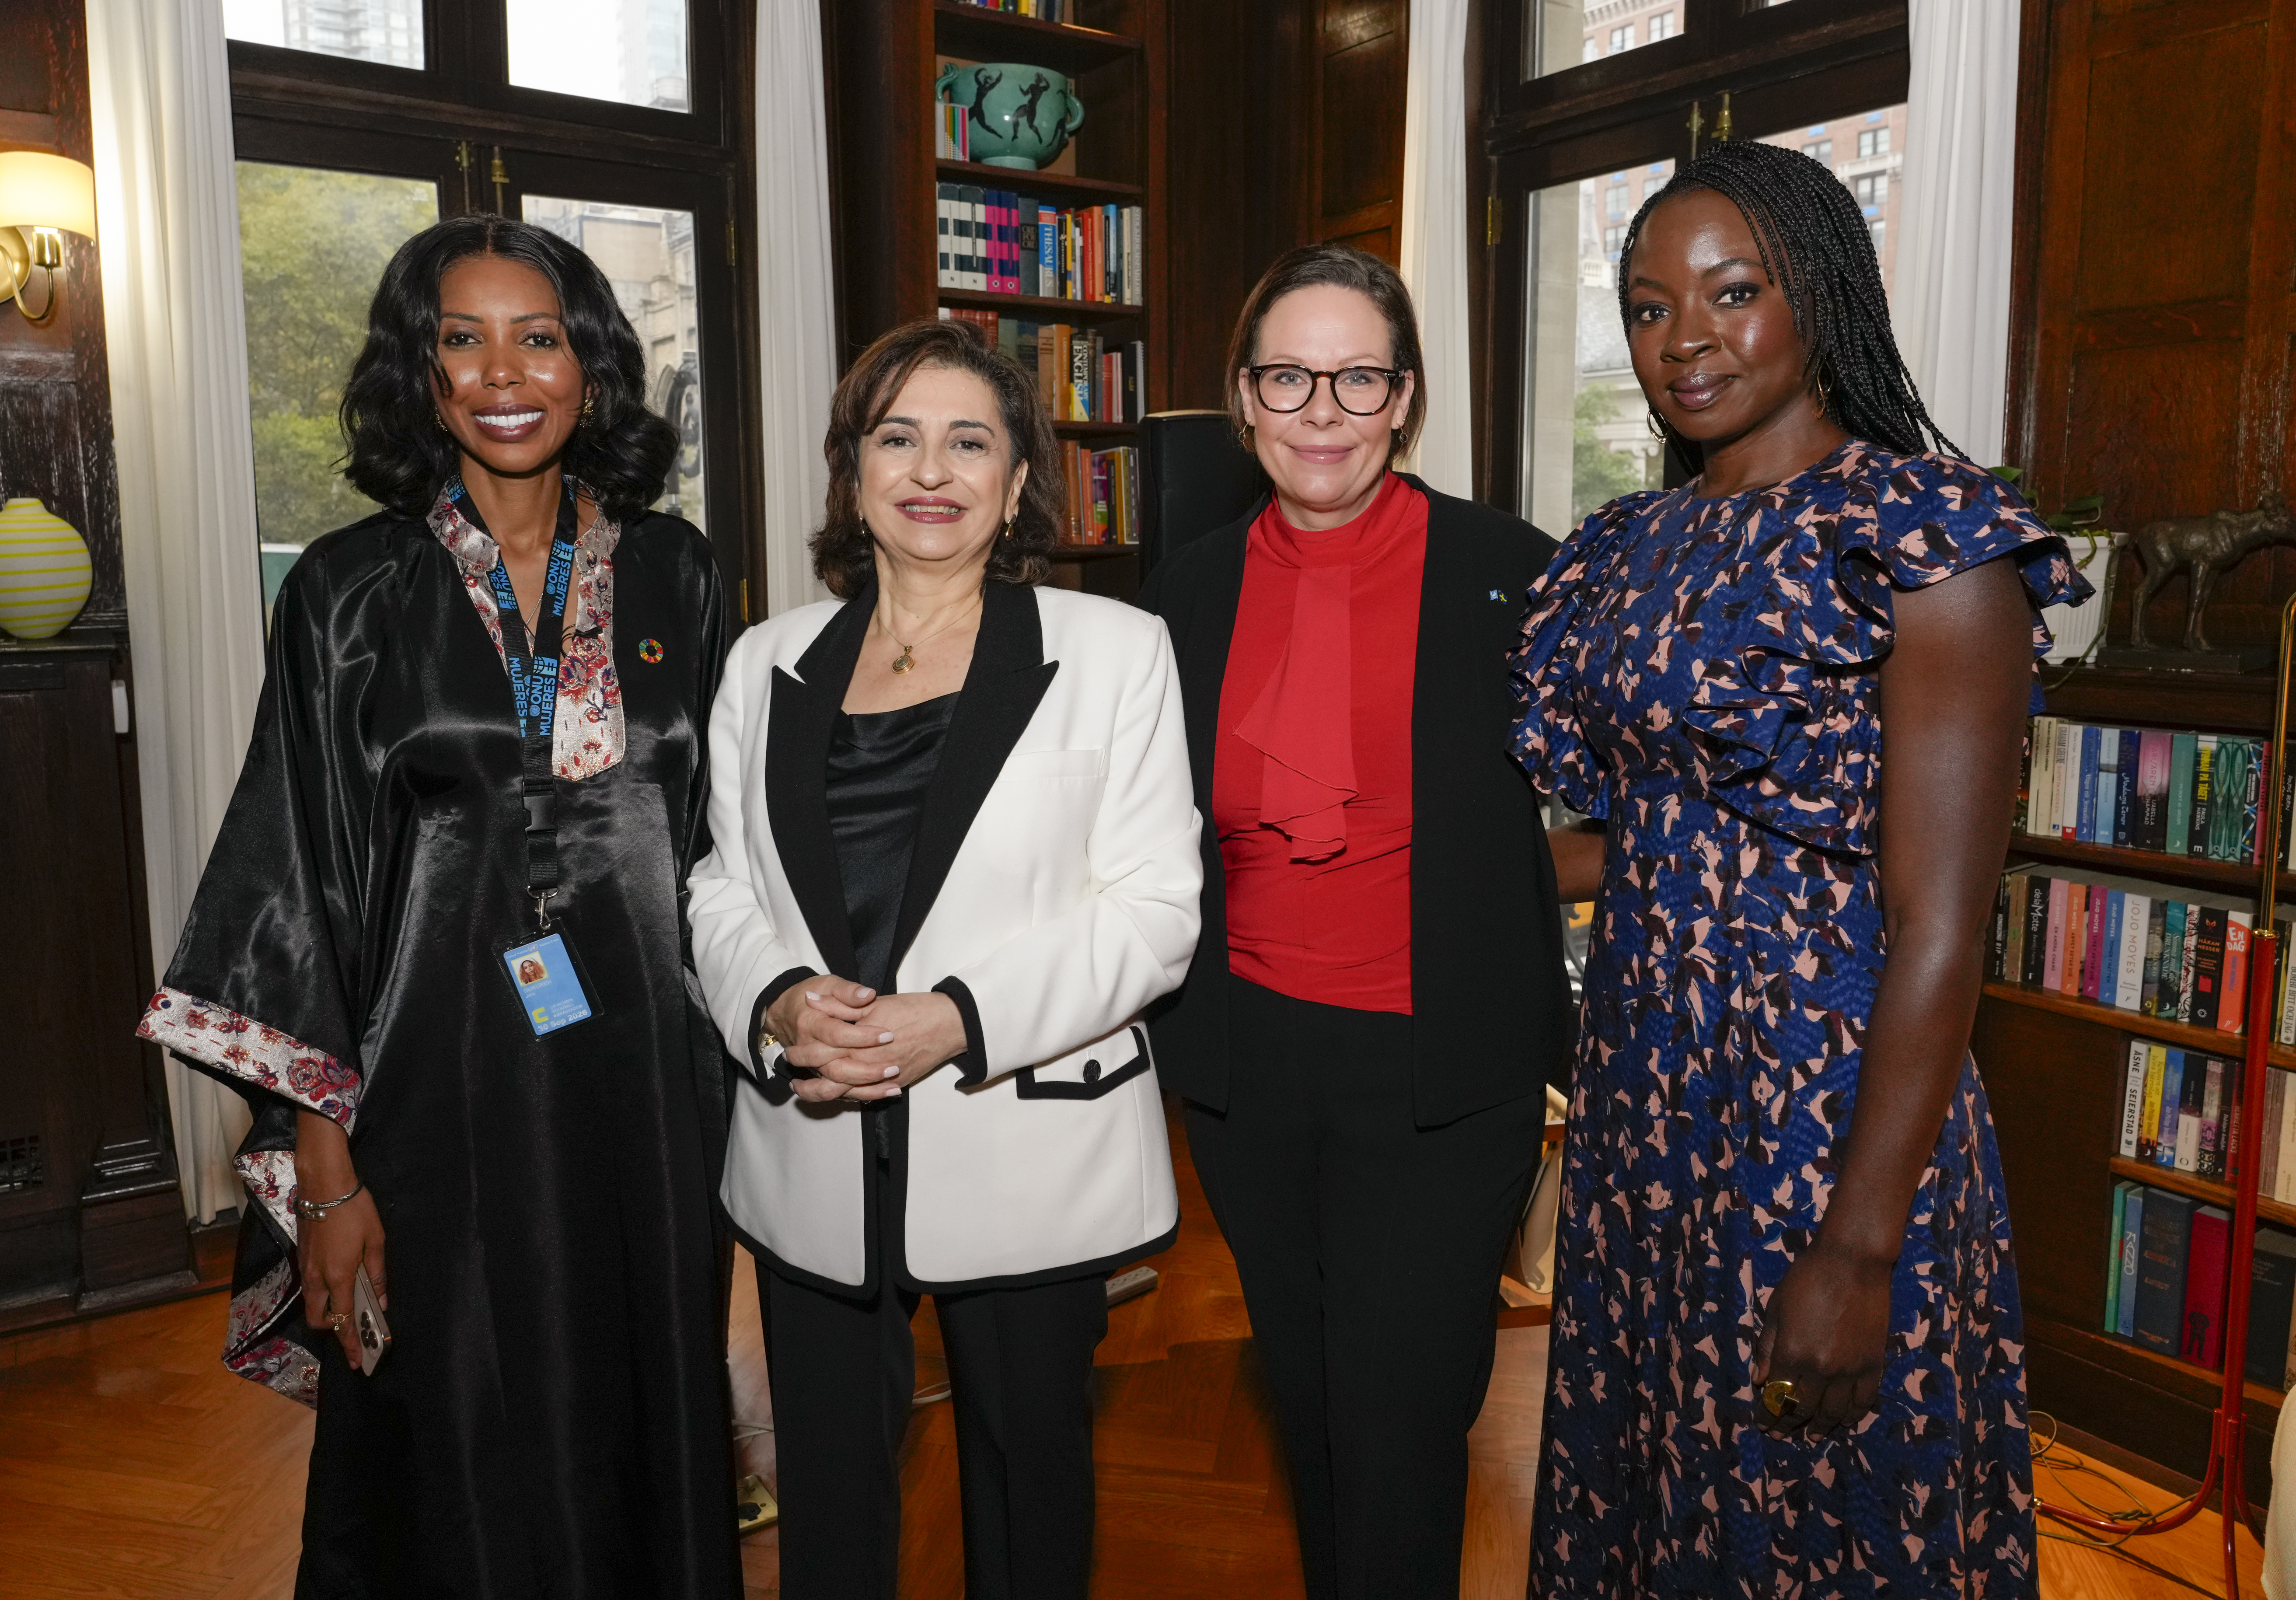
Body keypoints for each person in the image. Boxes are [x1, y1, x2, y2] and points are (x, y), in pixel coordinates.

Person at [1510, 139, 2089, 1595]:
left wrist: (1859, 1246)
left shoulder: (1922, 539)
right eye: (1648, 308)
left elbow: (1939, 919)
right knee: (1652, 1487)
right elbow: (1636, 839)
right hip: (1644, 1109)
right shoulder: (1624, 547)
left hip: (1823, 1118)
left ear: (1819, 295)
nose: (1683, 339)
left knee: (1815, 1515)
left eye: (1733, 291)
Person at [138, 215, 740, 1599]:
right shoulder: (349, 589)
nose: (502, 373)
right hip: (433, 1099)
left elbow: (721, 845)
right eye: (461, 340)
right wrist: (329, 1175)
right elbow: (296, 880)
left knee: (642, 1394)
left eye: (539, 337)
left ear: (591, 365)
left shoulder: (678, 570)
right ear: (420, 372)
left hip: (650, 1096)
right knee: (451, 1420)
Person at [686, 318, 1200, 1600]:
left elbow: (1155, 910)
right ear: (852, 471)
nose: (931, 470)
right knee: (829, 1500)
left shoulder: (1115, 651)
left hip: (1026, 1136)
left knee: (1031, 1489)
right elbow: (718, 882)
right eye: (898, 438)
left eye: (969, 442)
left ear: (1017, 482)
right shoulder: (762, 662)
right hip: (813, 1134)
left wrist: (957, 1018)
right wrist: (777, 999)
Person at [1136, 243, 1574, 1600]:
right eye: (1288, 376)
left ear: (1404, 397)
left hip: (1442, 1066)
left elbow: (1631, 792)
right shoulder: (1185, 589)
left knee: (1400, 1415)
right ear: (1243, 398)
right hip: (1245, 1066)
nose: (1320, 409)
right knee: (1312, 1394)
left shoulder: (1514, 571)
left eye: (1357, 378)